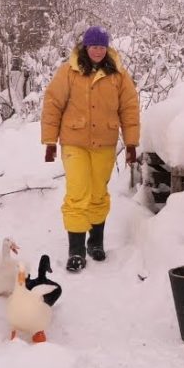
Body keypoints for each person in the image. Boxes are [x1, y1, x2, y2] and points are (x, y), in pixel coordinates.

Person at [41, 25, 141, 273]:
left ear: (107, 49)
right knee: (78, 192)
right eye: (94, 46)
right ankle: (75, 250)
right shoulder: (69, 72)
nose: (98, 50)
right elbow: (53, 104)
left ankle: (95, 242)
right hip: (74, 142)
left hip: (105, 143)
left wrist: (131, 143)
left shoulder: (118, 75)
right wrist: (50, 141)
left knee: (98, 193)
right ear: (86, 47)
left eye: (102, 46)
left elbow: (129, 110)